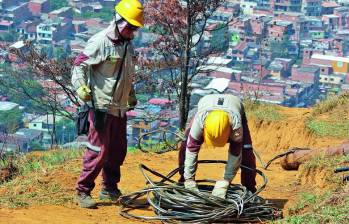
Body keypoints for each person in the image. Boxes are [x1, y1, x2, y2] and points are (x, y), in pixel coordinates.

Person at [71, 0, 143, 208]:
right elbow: (79, 66)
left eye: (135, 28)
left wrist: (130, 93)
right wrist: (80, 88)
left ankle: (109, 188)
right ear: (118, 21)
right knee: (98, 149)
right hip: (101, 106)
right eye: (130, 26)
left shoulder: (127, 44)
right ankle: (82, 191)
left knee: (117, 150)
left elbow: (127, 72)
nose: (132, 31)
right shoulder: (100, 41)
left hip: (120, 108)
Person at [178, 94, 257, 199]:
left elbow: (235, 154)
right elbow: (191, 149)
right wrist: (189, 179)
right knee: (185, 144)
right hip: (206, 104)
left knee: (246, 150)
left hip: (233, 104)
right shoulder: (200, 122)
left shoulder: (236, 125)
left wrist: (225, 181)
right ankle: (183, 182)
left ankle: (249, 190)